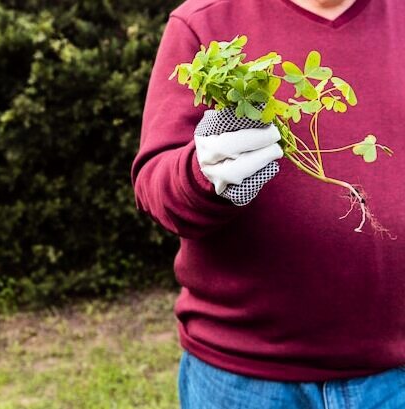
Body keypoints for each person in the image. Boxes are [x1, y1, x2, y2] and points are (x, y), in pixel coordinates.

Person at [130, 0, 405, 407]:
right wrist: (202, 174)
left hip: (394, 373)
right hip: (245, 378)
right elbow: (154, 186)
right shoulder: (202, 21)